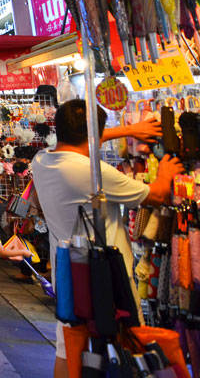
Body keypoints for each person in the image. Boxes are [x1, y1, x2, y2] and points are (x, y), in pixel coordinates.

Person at [30, 100, 179, 378]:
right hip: (105, 278)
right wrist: (168, 168)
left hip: (68, 273)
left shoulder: (42, 161)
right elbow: (157, 195)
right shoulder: (94, 174)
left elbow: (81, 141)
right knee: (118, 344)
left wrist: (129, 129)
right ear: (95, 132)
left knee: (69, 348)